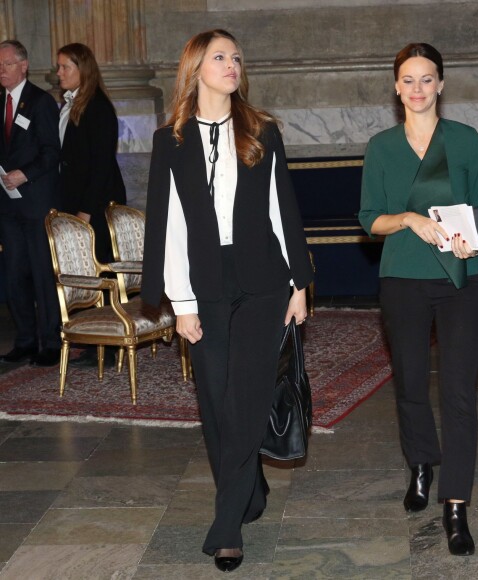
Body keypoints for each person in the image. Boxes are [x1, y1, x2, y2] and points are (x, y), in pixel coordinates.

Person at [141, 29, 313, 572]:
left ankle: (227, 524)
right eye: (220, 57)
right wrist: (181, 301)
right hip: (205, 283)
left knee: (244, 396)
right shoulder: (169, 139)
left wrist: (300, 283)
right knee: (216, 402)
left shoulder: (261, 130)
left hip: (263, 280)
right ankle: (250, 490)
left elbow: (283, 210)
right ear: (195, 68)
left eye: (237, 57)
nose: (232, 64)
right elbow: (167, 226)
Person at [359, 43, 478, 556]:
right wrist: (411, 219)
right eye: (408, 80)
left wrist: (474, 238)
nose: (417, 89)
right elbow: (369, 219)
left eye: (427, 79)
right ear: (396, 89)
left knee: (460, 395)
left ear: (441, 84)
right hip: (403, 280)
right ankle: (421, 462)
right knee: (411, 385)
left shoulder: (465, 141)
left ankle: (455, 506)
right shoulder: (381, 147)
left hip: (462, 280)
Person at [56, 43, 126, 368]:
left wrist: (85, 210)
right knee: (85, 272)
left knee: (103, 270)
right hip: (75, 203)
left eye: (64, 68)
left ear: (82, 69)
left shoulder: (98, 107)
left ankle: (111, 345)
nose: (59, 74)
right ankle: (93, 337)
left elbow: (100, 165)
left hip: (95, 205)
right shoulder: (70, 104)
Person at [0, 39, 61, 367]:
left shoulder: (40, 102)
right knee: (14, 273)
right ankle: (24, 339)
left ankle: (50, 342)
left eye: (7, 64)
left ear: (23, 66)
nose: (2, 70)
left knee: (41, 273)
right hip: (8, 207)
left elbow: (52, 152)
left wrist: (25, 174)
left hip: (36, 202)